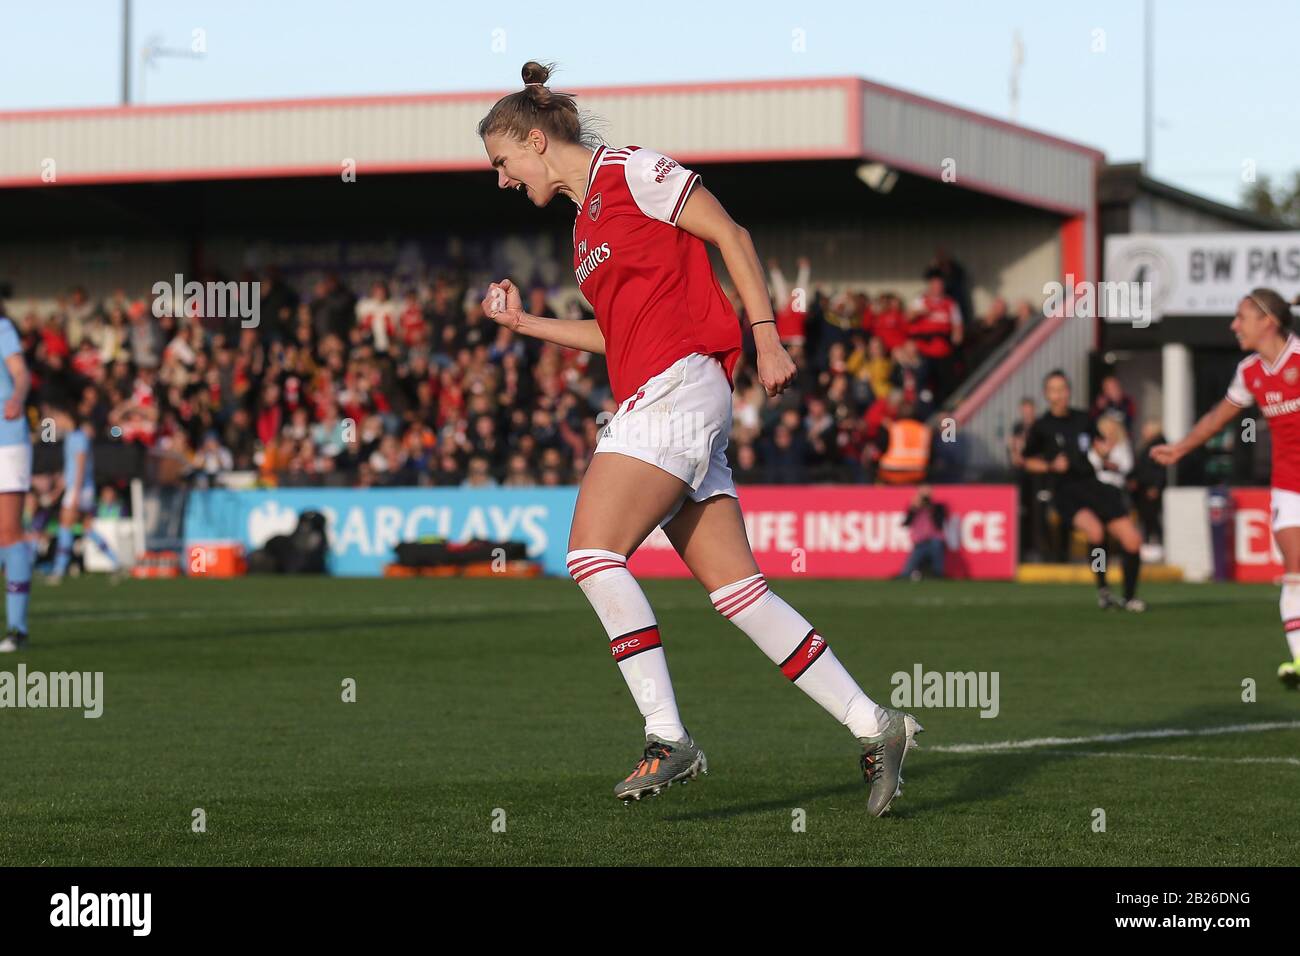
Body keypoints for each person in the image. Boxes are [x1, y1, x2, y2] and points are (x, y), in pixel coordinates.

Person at [476, 60, 921, 815]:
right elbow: (616, 336)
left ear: (535, 139)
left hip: (680, 388)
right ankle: (873, 723)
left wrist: (767, 336)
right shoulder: (585, 224)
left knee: (590, 552)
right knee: (741, 593)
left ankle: (666, 735)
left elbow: (730, 232)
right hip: (667, 392)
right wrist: (526, 325)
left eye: (501, 161)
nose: (502, 178)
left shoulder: (631, 171)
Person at [1150, 288, 1300, 688]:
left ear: (1267, 321)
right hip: (1289, 486)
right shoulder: (1250, 371)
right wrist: (1181, 447)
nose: (1234, 325)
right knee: (1295, 571)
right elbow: (1219, 416)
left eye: (1241, 317)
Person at [1022, 369, 1145, 611]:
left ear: (1069, 391)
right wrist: (1050, 465)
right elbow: (1026, 461)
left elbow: (1098, 444)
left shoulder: (1083, 418)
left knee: (1133, 540)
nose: (1060, 395)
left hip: (1093, 484)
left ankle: (1129, 597)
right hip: (1066, 491)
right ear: (1047, 395)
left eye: (1063, 389)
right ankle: (1104, 590)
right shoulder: (1042, 427)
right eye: (1054, 390)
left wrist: (1104, 450)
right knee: (1096, 533)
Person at [46, 403, 121, 583]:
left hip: (80, 489)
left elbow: (80, 465)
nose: (57, 422)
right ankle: (115, 562)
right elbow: (70, 469)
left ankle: (59, 570)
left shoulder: (78, 438)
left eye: (59, 418)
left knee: (65, 525)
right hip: (80, 488)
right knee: (87, 527)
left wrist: (76, 492)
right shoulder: (73, 437)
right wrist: (57, 491)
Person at [0, 312, 32, 652]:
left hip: (7, 436)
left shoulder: (3, 327)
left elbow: (21, 374)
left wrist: (17, 398)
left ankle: (17, 630)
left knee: (8, 531)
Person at [897, 485, 947, 580]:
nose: (925, 498)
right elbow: (906, 523)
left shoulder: (938, 507)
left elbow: (939, 524)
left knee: (936, 546)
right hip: (920, 543)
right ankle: (908, 574)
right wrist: (913, 508)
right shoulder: (914, 508)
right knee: (906, 572)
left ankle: (937, 574)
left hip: (934, 541)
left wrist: (930, 508)